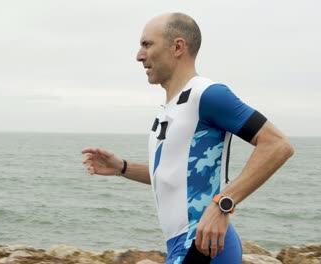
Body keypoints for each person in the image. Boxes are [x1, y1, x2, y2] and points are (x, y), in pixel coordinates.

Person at [82, 12, 294, 264]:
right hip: (181, 246)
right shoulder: (167, 110)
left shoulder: (207, 94)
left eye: (147, 44)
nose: (139, 55)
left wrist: (222, 204)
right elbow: (176, 175)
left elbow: (278, 145)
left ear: (178, 47)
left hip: (203, 247)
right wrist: (122, 168)